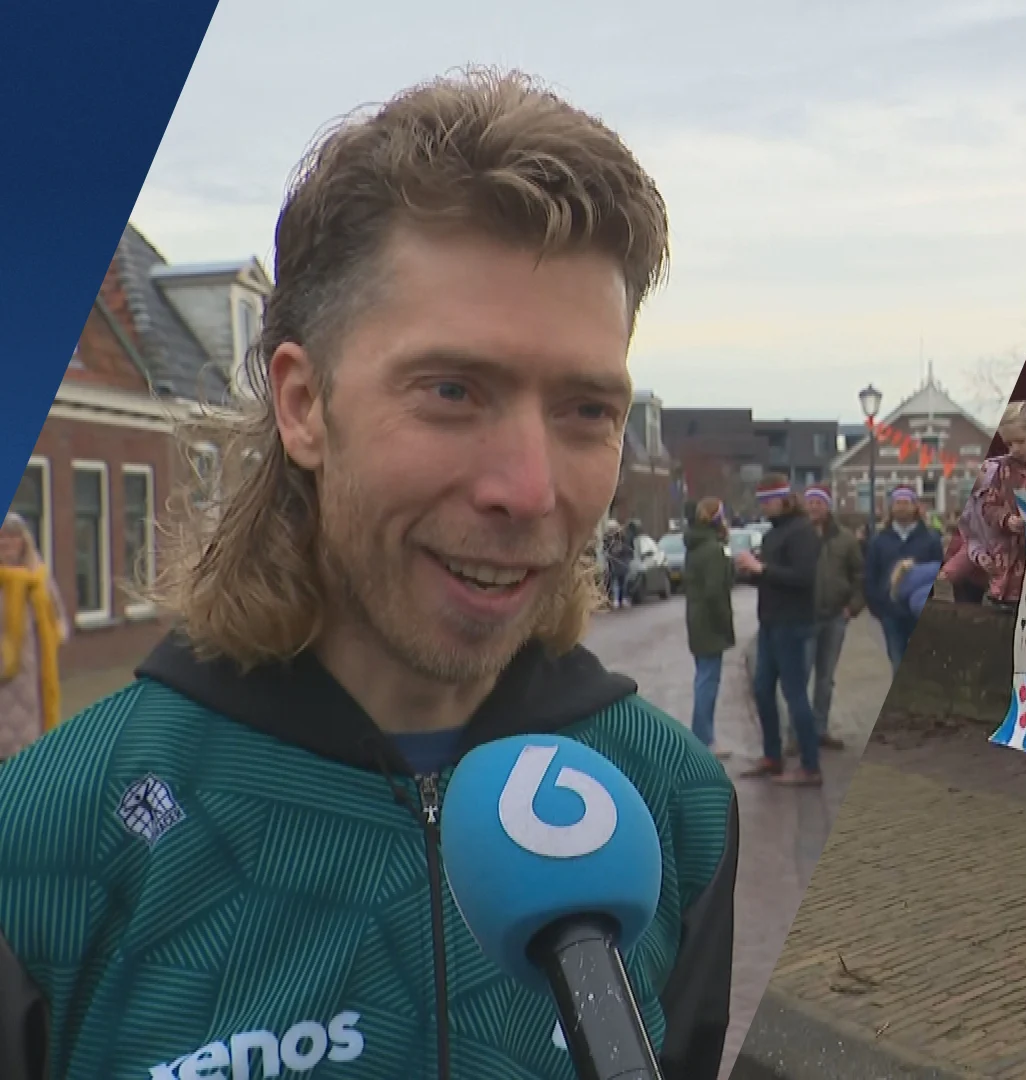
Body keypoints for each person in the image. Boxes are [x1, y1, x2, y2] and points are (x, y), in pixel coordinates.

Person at [0, 71, 736, 1080]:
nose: (531, 490)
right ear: (303, 406)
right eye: (452, 390)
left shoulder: (678, 805)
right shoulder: (45, 839)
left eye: (586, 412)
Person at [733, 475, 824, 786]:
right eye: (760, 501)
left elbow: (804, 577)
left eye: (767, 501)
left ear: (783, 499)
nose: (763, 507)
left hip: (794, 623)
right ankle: (772, 756)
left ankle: (810, 766)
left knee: (794, 694)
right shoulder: (773, 534)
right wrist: (748, 572)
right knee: (761, 689)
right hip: (770, 623)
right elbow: (769, 577)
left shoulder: (802, 532)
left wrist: (763, 569)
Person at [947, 402, 1026, 608]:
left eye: (1020, 441)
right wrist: (1006, 519)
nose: (1015, 449)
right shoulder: (1002, 470)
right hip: (1008, 560)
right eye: (1009, 444)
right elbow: (988, 506)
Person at [0, 513, 66, 763]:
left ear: (24, 541)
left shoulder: (39, 577)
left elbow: (58, 617)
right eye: (1, 536)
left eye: (13, 536)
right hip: (5, 680)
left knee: (31, 752)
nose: (6, 542)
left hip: (35, 681)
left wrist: (55, 635)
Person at [804, 486, 863, 751]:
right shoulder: (798, 536)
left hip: (836, 616)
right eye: (810, 502)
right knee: (800, 677)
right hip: (804, 617)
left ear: (828, 506)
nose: (814, 507)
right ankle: (798, 733)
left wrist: (853, 607)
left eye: (819, 502)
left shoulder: (845, 539)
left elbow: (859, 575)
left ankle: (819, 730)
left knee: (825, 678)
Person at [864, 487, 944, 666]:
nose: (901, 507)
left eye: (906, 503)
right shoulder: (879, 540)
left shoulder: (930, 538)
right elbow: (870, 575)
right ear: (891, 507)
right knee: (898, 662)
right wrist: (878, 608)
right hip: (891, 614)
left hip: (920, 613)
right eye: (897, 503)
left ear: (915, 507)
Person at [683, 496, 736, 754]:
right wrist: (725, 623)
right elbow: (715, 592)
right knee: (708, 680)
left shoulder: (694, 546)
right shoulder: (713, 550)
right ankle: (704, 739)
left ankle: (702, 736)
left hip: (696, 619)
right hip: (710, 623)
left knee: (703, 676)